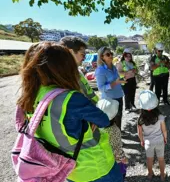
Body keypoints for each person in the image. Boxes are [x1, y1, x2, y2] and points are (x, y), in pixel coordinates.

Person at [17, 42, 123, 182]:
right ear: (63, 67)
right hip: (96, 167)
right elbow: (103, 120)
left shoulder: (28, 97)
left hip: (65, 169)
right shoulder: (71, 98)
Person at [137, 90, 168, 181]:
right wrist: (165, 138)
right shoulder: (160, 117)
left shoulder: (140, 119)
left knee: (149, 159)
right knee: (161, 159)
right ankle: (162, 175)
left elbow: (139, 133)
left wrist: (141, 140)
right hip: (159, 141)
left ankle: (150, 174)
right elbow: (164, 130)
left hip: (148, 143)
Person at [59, 36, 99, 104]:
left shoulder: (77, 71)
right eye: (82, 54)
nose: (84, 58)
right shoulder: (64, 77)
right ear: (70, 52)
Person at [96, 99, 128, 181]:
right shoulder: (114, 130)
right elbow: (117, 148)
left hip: (100, 163)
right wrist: (123, 158)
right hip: (115, 163)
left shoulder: (94, 128)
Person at [95, 47, 126, 130]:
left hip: (119, 96)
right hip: (110, 99)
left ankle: (118, 135)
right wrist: (115, 83)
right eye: (108, 54)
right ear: (102, 57)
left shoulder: (113, 67)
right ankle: (115, 140)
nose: (111, 56)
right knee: (111, 121)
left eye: (111, 53)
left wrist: (123, 80)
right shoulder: (100, 70)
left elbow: (117, 79)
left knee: (119, 117)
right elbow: (101, 88)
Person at [116, 48, 138, 113]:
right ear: (124, 55)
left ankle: (132, 105)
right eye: (126, 56)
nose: (128, 57)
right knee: (127, 94)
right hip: (125, 80)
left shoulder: (132, 63)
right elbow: (119, 72)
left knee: (132, 93)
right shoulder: (121, 63)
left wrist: (135, 71)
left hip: (133, 80)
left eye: (129, 56)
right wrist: (127, 72)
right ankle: (127, 108)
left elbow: (136, 71)